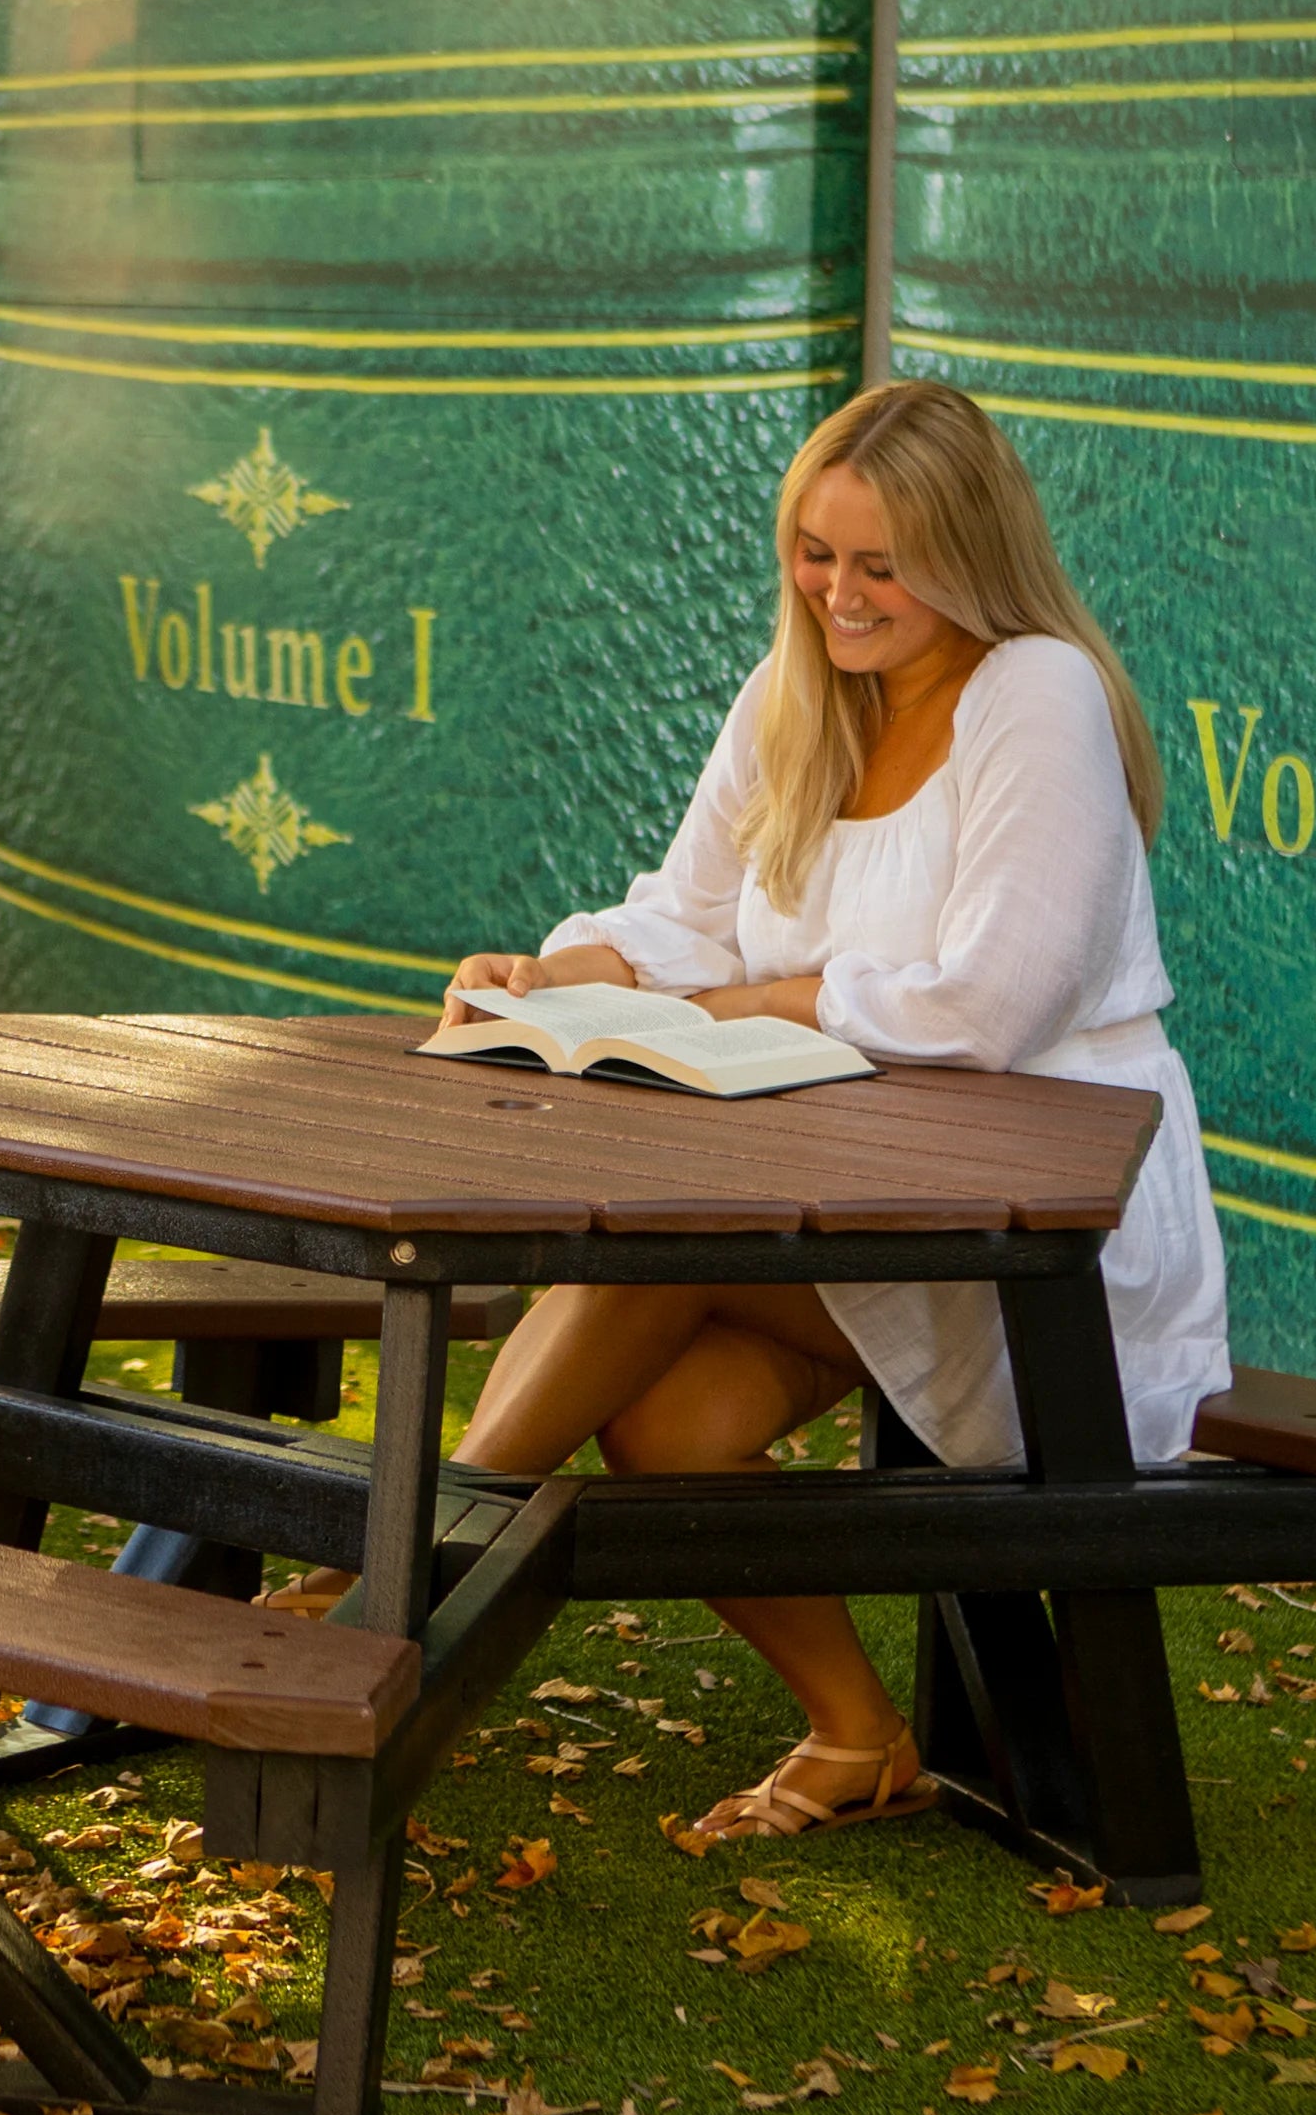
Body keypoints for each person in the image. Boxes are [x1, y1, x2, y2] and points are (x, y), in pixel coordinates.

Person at [437, 378, 1233, 1840]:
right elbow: (686, 921)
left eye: (882, 564)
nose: (840, 594)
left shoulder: (1036, 692)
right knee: (668, 1423)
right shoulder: (798, 686)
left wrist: (766, 1006)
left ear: (971, 555)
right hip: (857, 1201)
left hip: (1050, 1246)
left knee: (643, 1255)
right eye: (816, 552)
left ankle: (413, 1568)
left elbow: (991, 1008)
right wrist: (551, 977)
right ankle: (860, 1735)